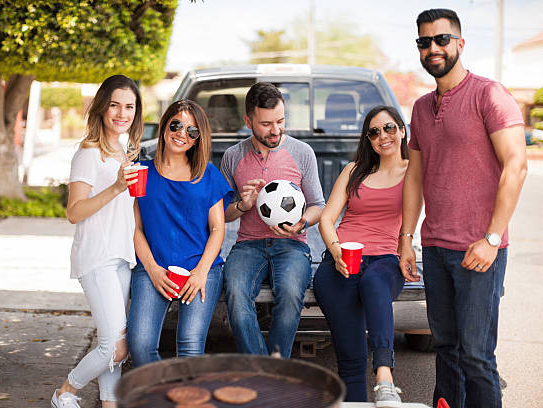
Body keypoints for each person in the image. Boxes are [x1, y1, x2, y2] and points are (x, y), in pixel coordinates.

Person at [399, 9, 527, 408]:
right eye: (424, 41)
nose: (432, 48)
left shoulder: (489, 94)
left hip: (479, 253)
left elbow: (517, 166)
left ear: (460, 43)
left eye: (441, 39)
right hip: (435, 249)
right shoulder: (420, 108)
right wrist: (406, 239)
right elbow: (415, 178)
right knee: (447, 352)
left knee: (476, 357)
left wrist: (490, 239)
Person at [51, 75, 144, 408]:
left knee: (115, 342)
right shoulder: (88, 152)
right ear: (102, 107)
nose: (122, 113)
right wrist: (117, 187)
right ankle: (66, 391)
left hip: (121, 257)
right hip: (96, 258)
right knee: (114, 348)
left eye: (129, 106)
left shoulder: (123, 151)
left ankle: (109, 403)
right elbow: (74, 212)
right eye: (115, 105)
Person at [221, 82, 325, 358]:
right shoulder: (233, 157)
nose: (275, 130)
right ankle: (266, 371)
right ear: (248, 121)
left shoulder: (302, 153)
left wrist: (301, 223)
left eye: (280, 121)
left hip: (292, 245)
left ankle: (273, 366)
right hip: (248, 245)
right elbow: (222, 214)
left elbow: (318, 205)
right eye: (266, 124)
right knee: (234, 292)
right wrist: (243, 205)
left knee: (291, 293)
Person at [313, 106, 407, 407]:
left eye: (389, 128)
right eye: (374, 132)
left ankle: (385, 377)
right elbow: (327, 219)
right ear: (368, 139)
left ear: (402, 130)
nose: (383, 136)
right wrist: (336, 250)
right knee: (350, 358)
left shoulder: (414, 171)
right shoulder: (354, 171)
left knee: (375, 283)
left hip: (385, 260)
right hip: (342, 262)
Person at [126, 100, 233, 366]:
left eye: (192, 131)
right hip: (153, 266)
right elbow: (136, 228)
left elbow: (218, 228)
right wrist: (151, 269)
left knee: (189, 344)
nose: (181, 133)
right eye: (176, 125)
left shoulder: (207, 174)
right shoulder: (142, 172)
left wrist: (200, 273)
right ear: (164, 126)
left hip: (201, 267)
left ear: (198, 139)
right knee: (139, 345)